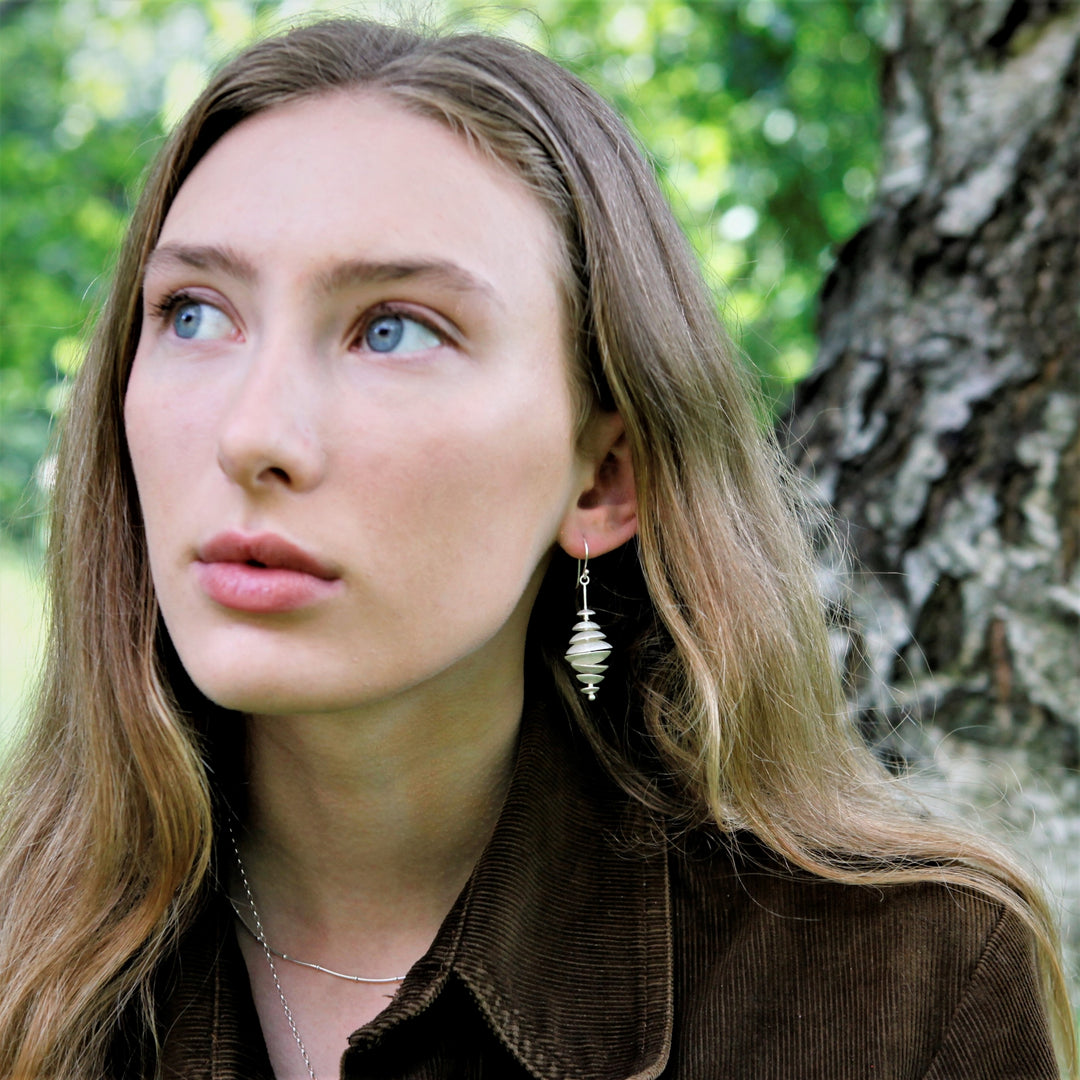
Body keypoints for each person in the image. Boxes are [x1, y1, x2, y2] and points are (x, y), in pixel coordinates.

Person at [0, 18, 1073, 1080]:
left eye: (394, 329)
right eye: (193, 313)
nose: (252, 434)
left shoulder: (906, 984)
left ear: (606, 477)